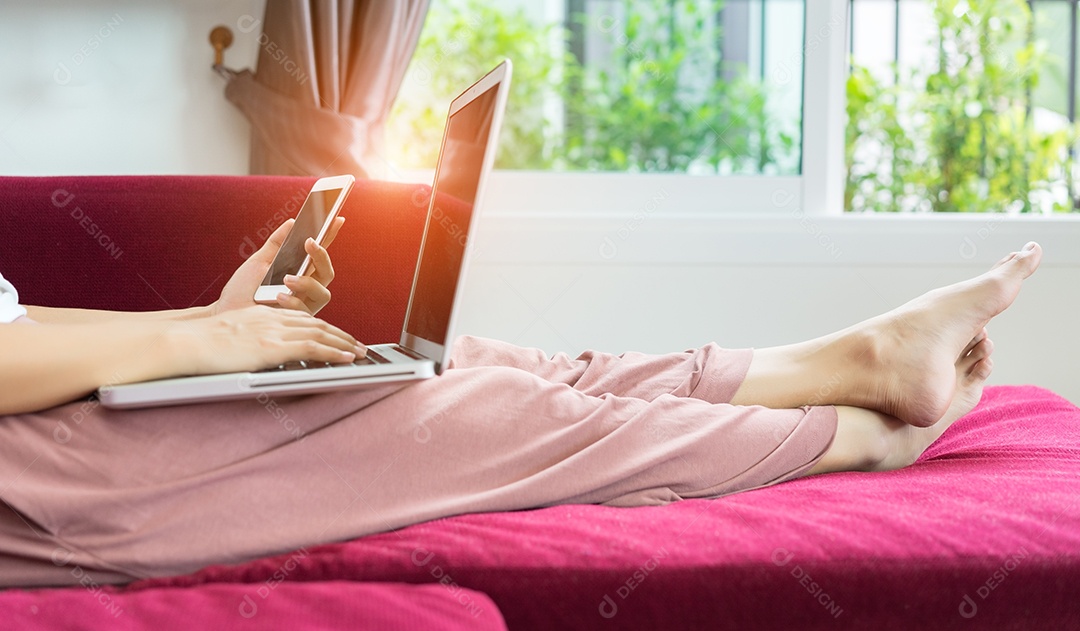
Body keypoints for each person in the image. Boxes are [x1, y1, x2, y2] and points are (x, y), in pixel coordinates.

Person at [0, 217, 1044, 587]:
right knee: (461, 413)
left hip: (41, 413)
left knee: (453, 364)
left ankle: (849, 360)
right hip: (34, 488)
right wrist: (195, 343)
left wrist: (200, 320)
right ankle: (851, 437)